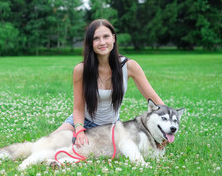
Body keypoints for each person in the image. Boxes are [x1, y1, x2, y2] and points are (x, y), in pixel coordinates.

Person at [55, 19, 165, 148]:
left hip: (111, 127)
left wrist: (164, 128)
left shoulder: (129, 66)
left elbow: (156, 101)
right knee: (52, 145)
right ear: (91, 43)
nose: (102, 42)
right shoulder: (81, 70)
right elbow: (78, 108)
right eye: (96, 38)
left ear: (113, 38)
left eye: (106, 36)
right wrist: (79, 131)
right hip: (82, 122)